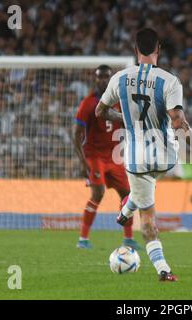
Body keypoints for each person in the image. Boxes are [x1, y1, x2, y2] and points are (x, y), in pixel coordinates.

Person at [96, 28, 192, 281]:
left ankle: (161, 268)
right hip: (165, 158)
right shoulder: (170, 81)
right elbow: (179, 121)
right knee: (147, 186)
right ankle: (130, 216)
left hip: (136, 159)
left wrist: (124, 119)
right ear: (158, 49)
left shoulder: (119, 78)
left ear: (135, 50)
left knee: (147, 218)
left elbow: (100, 111)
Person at [73, 65, 140, 250]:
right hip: (95, 157)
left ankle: (128, 239)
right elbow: (76, 134)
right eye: (99, 77)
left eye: (106, 77)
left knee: (128, 195)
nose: (103, 80)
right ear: (95, 79)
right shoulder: (88, 103)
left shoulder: (121, 101)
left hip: (114, 157)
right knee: (98, 193)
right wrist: (83, 162)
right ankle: (83, 239)